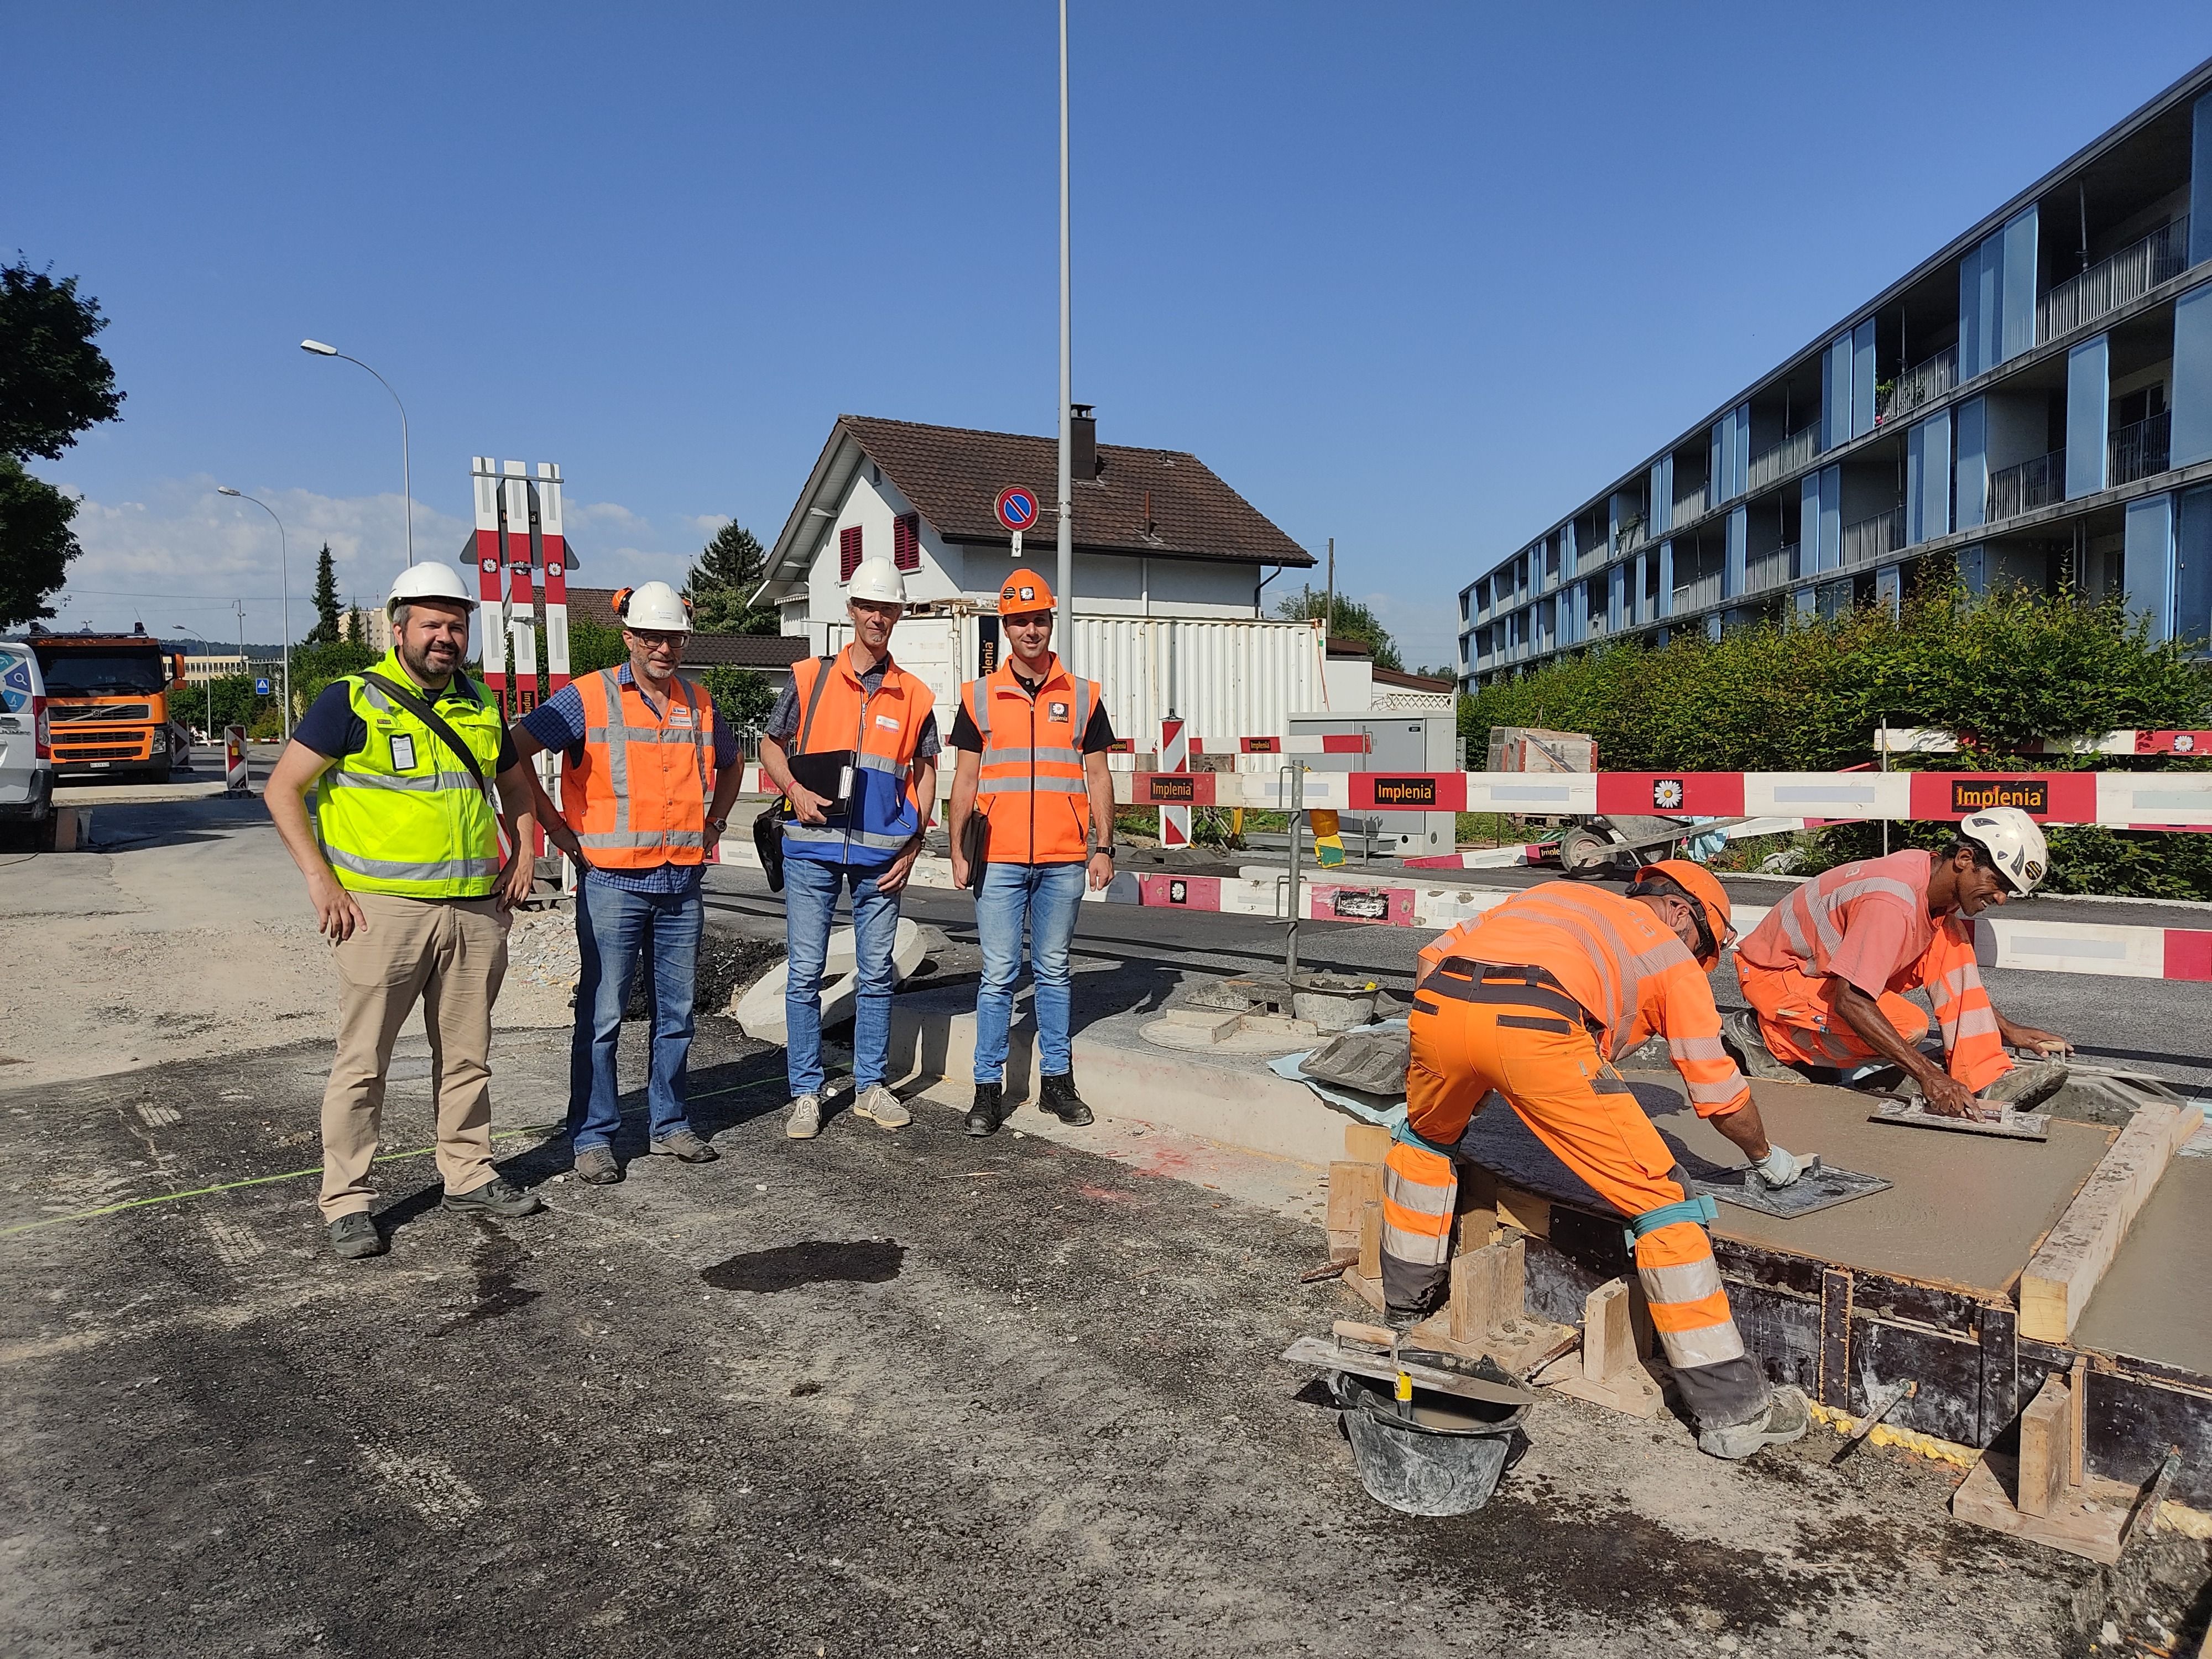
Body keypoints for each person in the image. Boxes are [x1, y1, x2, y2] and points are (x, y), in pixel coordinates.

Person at [1390, 863, 1811, 1460]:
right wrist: (1764, 1156)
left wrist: (1465, 1058)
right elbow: (1717, 1093)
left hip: (1440, 1009)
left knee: (1427, 1142)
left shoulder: (1557, 896)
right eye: (1702, 949)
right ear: (1682, 913)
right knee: (1664, 1204)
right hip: (1534, 1026)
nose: (1695, 963)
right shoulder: (1666, 951)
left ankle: (1406, 1306)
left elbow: (1431, 958)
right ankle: (1732, 1411)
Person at [264, 563, 544, 1260]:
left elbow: (515, 787)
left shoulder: (480, 704)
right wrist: (319, 881)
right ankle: (348, 1200)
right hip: (380, 914)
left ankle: (469, 1172)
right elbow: (282, 790)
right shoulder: (351, 699)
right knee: (363, 1063)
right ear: (399, 628)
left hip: (473, 913)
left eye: (456, 624)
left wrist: (526, 852)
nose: (446, 636)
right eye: (432, 623)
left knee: (468, 1057)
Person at [512, 581, 746, 1185]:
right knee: (604, 1014)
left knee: (677, 1013)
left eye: (672, 636)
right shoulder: (586, 698)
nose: (663, 647)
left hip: (680, 881)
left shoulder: (699, 702)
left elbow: (731, 762)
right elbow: (513, 751)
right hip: (613, 881)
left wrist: (715, 821)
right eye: (651, 636)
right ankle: (592, 1136)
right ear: (630, 638)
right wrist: (558, 833)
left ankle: (669, 1125)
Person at [1728, 808, 2070, 1118]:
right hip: (1775, 977)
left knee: (1951, 942)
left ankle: (1984, 1073)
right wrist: (1928, 1075)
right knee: (1909, 1025)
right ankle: (1767, 1037)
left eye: (2009, 890)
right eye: (1998, 884)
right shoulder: (1892, 902)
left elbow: (1958, 987)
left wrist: (2006, 1030)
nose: (2001, 899)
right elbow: (1852, 1001)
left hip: (1817, 974)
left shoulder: (1928, 881)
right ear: (1965, 858)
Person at [758, 557, 939, 1140]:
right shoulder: (808, 678)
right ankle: (807, 1093)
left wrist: (914, 840)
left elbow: (928, 768)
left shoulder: (913, 694)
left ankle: (869, 1087)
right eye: (869, 606)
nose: (877, 617)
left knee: (877, 974)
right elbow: (769, 745)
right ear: (852, 610)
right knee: (806, 972)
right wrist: (792, 789)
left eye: (888, 608)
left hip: (882, 858)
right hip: (810, 850)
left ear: (898, 615)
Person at [947, 570, 1119, 1136]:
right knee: (997, 975)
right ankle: (985, 1091)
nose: (1030, 630)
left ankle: (1057, 1085)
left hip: (1063, 859)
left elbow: (1098, 777)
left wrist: (1104, 846)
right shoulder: (978, 698)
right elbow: (965, 781)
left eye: (1039, 619)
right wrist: (957, 852)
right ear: (1006, 626)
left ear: (1050, 623)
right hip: (996, 860)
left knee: (1053, 972)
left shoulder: (1083, 695)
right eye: (1020, 621)